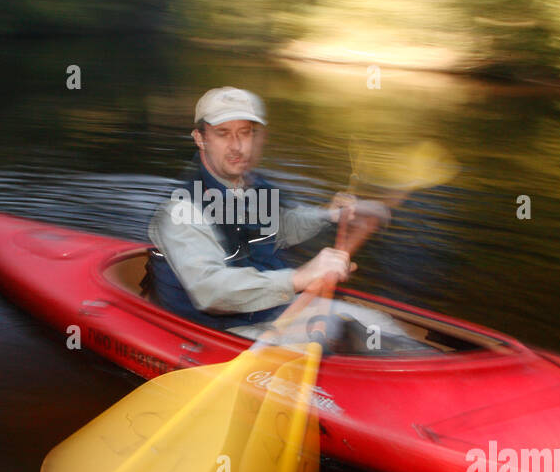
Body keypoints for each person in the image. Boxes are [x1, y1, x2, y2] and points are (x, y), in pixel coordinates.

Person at [147, 86, 408, 349]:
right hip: (216, 334)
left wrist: (332, 215)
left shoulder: (250, 186)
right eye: (223, 134)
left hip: (271, 311)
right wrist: (300, 277)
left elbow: (281, 227)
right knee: (338, 343)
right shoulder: (180, 211)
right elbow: (212, 290)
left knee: (377, 323)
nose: (237, 146)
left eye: (245, 133)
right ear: (200, 138)